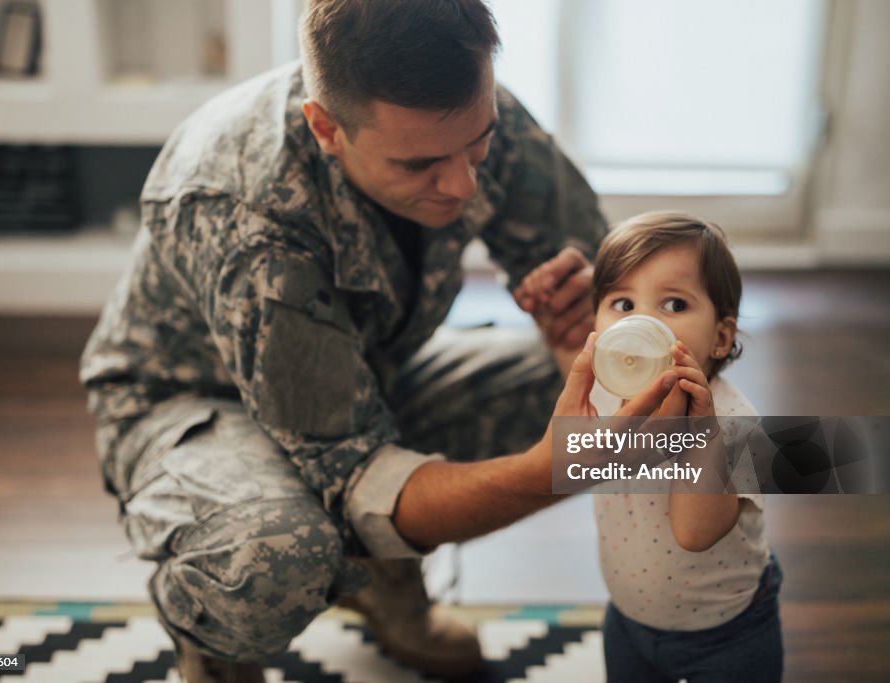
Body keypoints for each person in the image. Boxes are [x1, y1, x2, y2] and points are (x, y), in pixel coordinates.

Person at [79, 1, 678, 680]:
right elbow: (358, 475)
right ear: (327, 128)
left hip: (365, 376)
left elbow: (607, 279)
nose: (462, 182)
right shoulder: (247, 212)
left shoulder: (461, 112)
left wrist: (595, 330)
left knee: (644, 386)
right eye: (420, 165)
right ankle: (216, 636)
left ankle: (382, 582)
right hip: (192, 405)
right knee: (278, 553)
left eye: (476, 142)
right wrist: (556, 467)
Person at [549, 211, 784, 682]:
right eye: (622, 303)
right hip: (629, 617)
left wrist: (699, 433)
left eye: (674, 305)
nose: (642, 322)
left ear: (720, 337)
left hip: (727, 632)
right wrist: (551, 330)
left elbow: (695, 533)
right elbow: (571, 457)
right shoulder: (606, 394)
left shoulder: (735, 425)